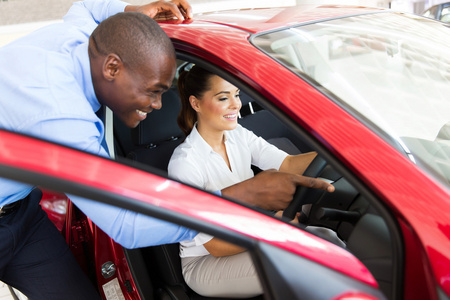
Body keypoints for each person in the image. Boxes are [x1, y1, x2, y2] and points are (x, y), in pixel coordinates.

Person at [0, 0, 333, 298]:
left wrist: (135, 12)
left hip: (20, 215)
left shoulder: (80, 39)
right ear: (112, 68)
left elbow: (87, 8)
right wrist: (240, 197)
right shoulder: (60, 117)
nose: (159, 106)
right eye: (153, 91)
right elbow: (124, 223)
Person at [167, 65, 333, 298]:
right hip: (206, 262)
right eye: (224, 97)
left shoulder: (237, 134)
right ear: (196, 104)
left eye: (236, 94)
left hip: (253, 234)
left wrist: (340, 153)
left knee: (329, 242)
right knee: (300, 264)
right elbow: (214, 246)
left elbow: (286, 164)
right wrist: (274, 228)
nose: (237, 104)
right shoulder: (185, 163)